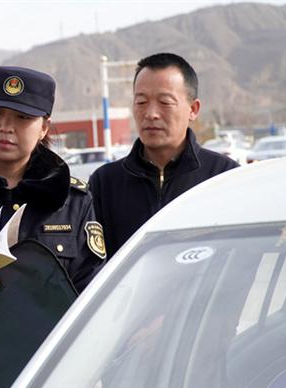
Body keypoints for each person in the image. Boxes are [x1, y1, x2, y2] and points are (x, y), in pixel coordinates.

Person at [0, 66, 105, 292]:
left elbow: (89, 286)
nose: (5, 127)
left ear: (44, 128)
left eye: (22, 117)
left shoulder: (72, 200)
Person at [89, 53, 238, 259]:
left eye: (165, 102)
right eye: (141, 102)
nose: (151, 114)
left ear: (193, 109)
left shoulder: (225, 177)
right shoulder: (104, 183)